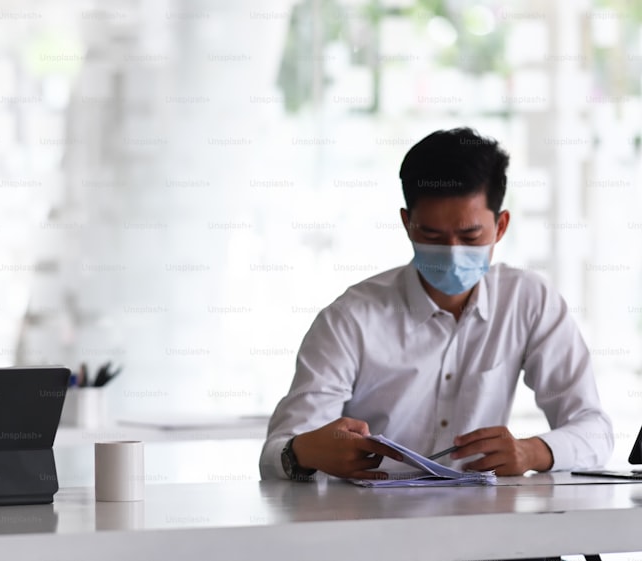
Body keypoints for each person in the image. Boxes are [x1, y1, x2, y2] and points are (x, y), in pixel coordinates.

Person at [260, 128, 613, 481]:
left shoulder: (529, 302)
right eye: (432, 235)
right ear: (407, 224)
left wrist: (532, 452)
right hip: (363, 522)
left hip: (478, 522)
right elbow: (276, 453)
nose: (453, 251)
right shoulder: (351, 319)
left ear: (501, 225)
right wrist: (304, 451)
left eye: (470, 236)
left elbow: (595, 432)